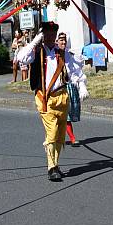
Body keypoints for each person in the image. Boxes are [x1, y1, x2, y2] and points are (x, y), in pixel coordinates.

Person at [17, 21, 85, 182]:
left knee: (61, 136)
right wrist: (35, 40)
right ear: (43, 35)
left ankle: (55, 164)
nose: (50, 37)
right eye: (47, 34)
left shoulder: (61, 52)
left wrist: (82, 86)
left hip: (62, 96)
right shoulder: (37, 51)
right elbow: (21, 58)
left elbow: (76, 70)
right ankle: (51, 167)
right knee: (52, 133)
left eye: (52, 34)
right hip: (45, 98)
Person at [57, 32, 88, 147]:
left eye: (64, 39)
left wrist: (82, 87)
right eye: (61, 39)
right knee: (61, 115)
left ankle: (69, 137)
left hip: (69, 87)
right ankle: (67, 137)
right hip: (57, 89)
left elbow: (77, 72)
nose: (63, 42)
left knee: (67, 115)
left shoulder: (70, 55)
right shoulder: (52, 55)